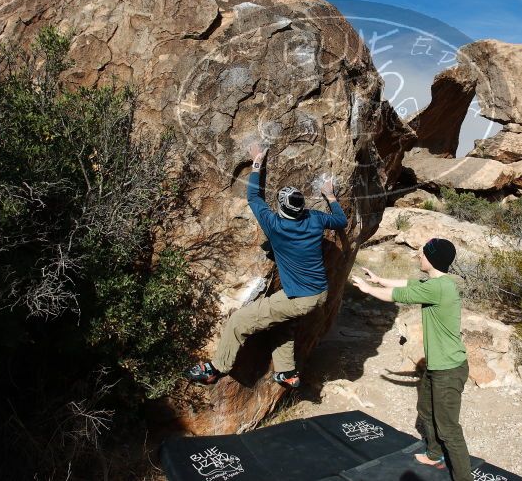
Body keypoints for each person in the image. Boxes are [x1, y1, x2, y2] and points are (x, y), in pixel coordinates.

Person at [187, 142, 348, 388]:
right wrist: (330, 196)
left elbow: (253, 196)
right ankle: (286, 372)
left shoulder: (275, 225)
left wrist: (257, 161)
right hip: (319, 293)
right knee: (281, 325)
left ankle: (217, 368)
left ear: (282, 208)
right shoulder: (314, 219)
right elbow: (340, 220)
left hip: (299, 297)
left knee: (238, 321)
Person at [351, 238, 472, 481]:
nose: (419, 256)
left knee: (449, 428)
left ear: (433, 259)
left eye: (423, 253)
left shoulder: (438, 288)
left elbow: (399, 294)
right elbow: (408, 283)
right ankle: (435, 454)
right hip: (436, 366)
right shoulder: (438, 282)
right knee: (425, 410)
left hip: (448, 369)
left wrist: (368, 289)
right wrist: (378, 279)